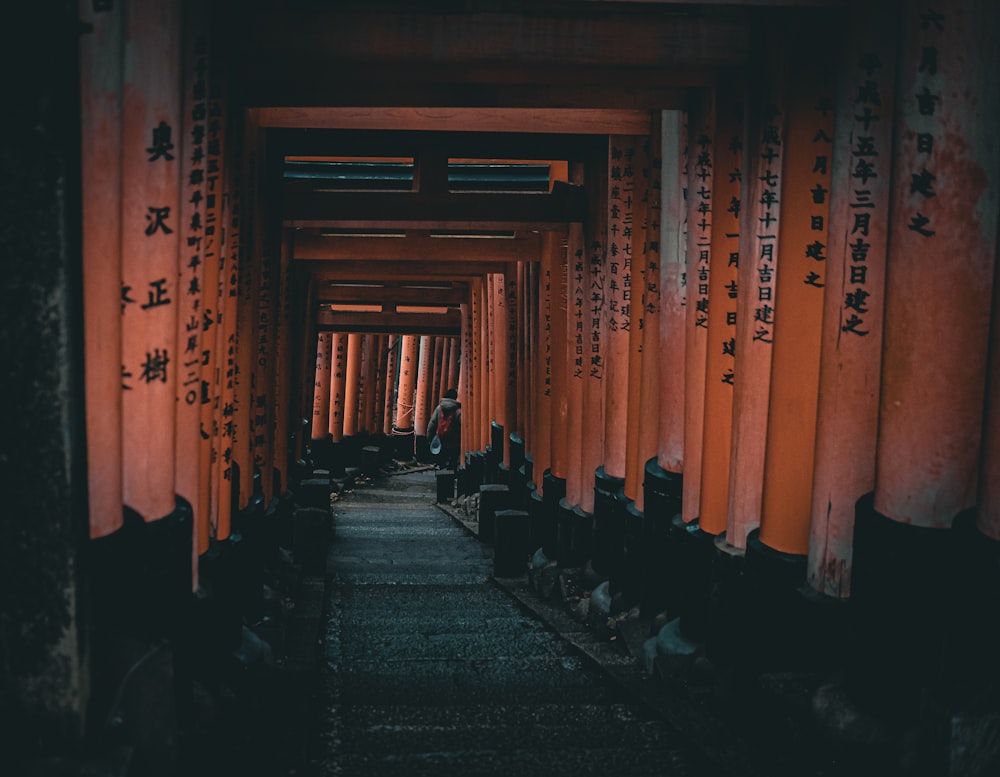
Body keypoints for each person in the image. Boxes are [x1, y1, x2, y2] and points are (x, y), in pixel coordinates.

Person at [426, 388, 462, 469]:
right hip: (454, 443)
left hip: (441, 440)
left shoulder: (439, 408)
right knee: (452, 464)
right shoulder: (458, 411)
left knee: (441, 462)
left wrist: (429, 438)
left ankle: (441, 476)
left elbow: (432, 424)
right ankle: (450, 478)